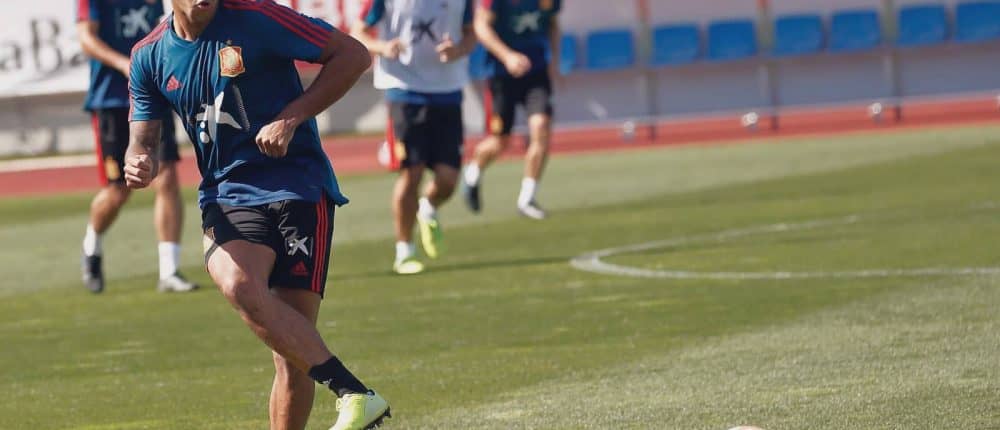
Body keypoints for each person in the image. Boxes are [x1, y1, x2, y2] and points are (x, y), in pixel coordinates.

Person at [123, 0, 388, 428]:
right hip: (227, 194)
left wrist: (291, 118)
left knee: (293, 358)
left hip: (298, 186)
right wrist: (139, 162)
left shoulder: (257, 16)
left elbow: (354, 55)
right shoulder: (148, 56)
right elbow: (143, 141)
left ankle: (355, 397)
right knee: (238, 283)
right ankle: (353, 391)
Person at [77, 0, 199, 293]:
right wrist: (124, 63)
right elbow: (86, 38)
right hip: (112, 100)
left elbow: (170, 24)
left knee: (166, 176)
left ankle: (169, 271)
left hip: (152, 93)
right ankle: (92, 244)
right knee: (119, 190)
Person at [351, 0, 477, 275]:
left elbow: (471, 33)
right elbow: (357, 32)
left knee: (448, 180)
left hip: (448, 92)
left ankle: (428, 207)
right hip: (404, 91)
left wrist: (458, 50)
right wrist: (383, 47)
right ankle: (405, 251)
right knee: (412, 172)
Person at [462, 0, 561, 220]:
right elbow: (481, 26)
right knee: (500, 141)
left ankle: (527, 199)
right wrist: (507, 56)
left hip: (536, 73)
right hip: (501, 75)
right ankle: (473, 171)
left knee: (541, 128)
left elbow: (554, 24)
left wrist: (554, 60)